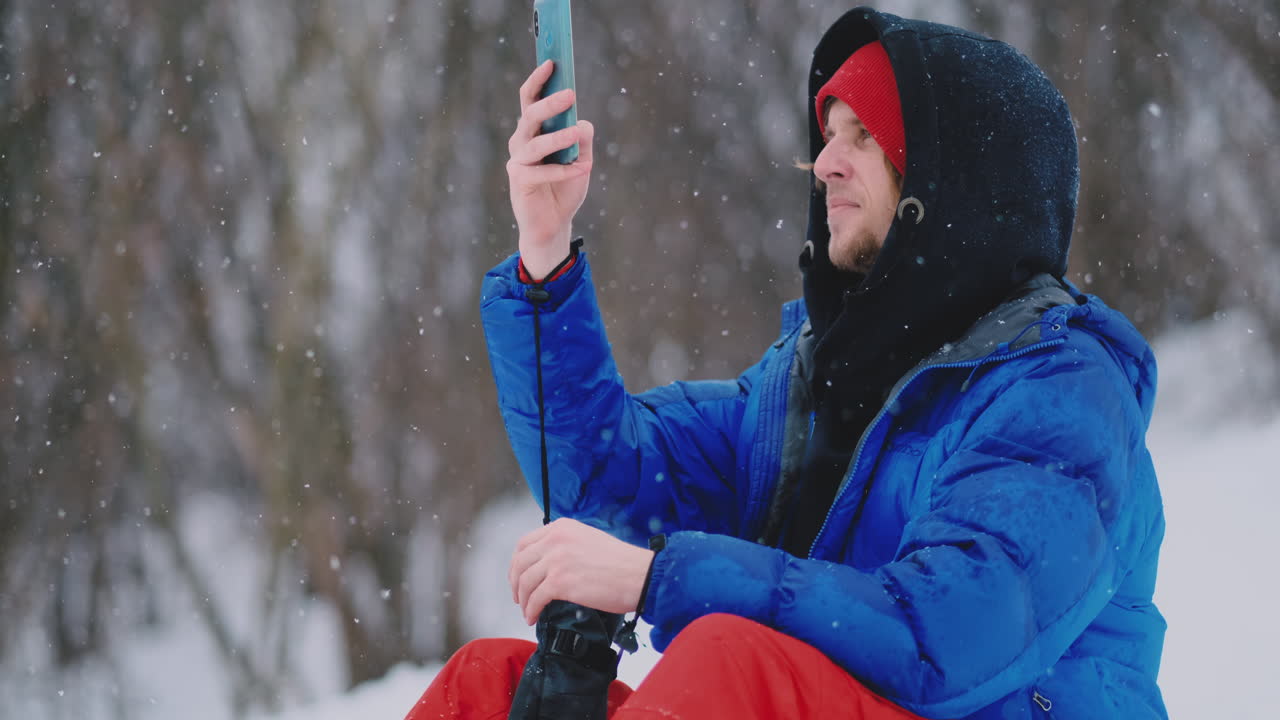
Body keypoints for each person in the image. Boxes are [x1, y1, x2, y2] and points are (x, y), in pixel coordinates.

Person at [406, 6, 1168, 720]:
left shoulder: (1061, 390)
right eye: (828, 135)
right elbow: (607, 483)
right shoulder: (811, 386)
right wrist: (545, 250)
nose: (826, 162)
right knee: (485, 691)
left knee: (729, 658)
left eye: (864, 135)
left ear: (955, 179)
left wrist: (655, 579)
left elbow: (955, 630)